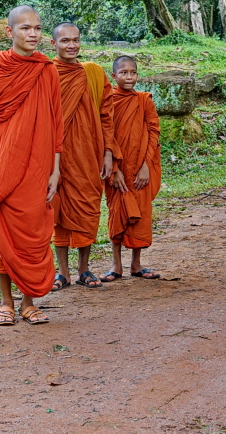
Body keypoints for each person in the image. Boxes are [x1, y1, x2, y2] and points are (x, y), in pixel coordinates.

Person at [0, 5, 63, 325]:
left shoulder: (47, 70)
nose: (33, 34)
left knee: (33, 232)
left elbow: (56, 124)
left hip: (37, 164)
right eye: (25, 28)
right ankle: (6, 302)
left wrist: (55, 169)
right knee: (1, 233)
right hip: (0, 162)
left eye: (37, 28)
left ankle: (28, 302)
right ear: (9, 32)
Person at [49, 22, 118, 290]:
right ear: (53, 44)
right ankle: (62, 272)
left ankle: (84, 269)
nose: (71, 45)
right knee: (57, 211)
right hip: (56, 156)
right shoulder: (46, 73)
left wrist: (108, 152)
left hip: (89, 153)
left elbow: (106, 114)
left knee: (87, 208)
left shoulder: (93, 73)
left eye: (75, 40)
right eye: (65, 41)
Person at [99, 56, 161, 282]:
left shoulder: (144, 100)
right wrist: (114, 170)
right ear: (113, 76)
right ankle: (116, 265)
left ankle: (136, 264)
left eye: (133, 72)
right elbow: (104, 136)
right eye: (123, 73)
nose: (129, 77)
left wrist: (146, 166)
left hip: (139, 166)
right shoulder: (108, 102)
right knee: (116, 211)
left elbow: (153, 132)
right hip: (116, 169)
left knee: (141, 213)